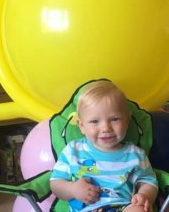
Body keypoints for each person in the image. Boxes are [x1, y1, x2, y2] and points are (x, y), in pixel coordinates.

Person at [50, 80, 158, 212]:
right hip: (88, 209)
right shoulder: (73, 151)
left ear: (127, 120)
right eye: (94, 121)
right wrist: (72, 190)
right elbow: (55, 183)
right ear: (81, 126)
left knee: (140, 210)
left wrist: (144, 195)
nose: (106, 128)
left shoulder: (135, 154)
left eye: (114, 119)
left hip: (124, 207)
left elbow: (148, 182)